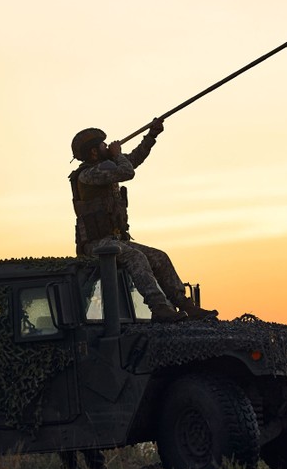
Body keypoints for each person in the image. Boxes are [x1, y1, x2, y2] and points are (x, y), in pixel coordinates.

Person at [69, 118, 218, 323]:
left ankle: (184, 304)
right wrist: (118, 154)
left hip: (115, 242)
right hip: (97, 245)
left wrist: (151, 136)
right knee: (135, 257)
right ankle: (159, 307)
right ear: (94, 152)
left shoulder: (106, 167)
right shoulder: (88, 175)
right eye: (103, 145)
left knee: (159, 257)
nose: (108, 145)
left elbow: (132, 161)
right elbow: (127, 171)